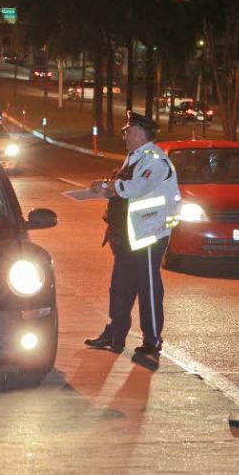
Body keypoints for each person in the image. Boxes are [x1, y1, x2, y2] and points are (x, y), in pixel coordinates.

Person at [84, 111, 181, 359]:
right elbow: (123, 188)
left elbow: (136, 188)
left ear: (139, 133)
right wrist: (103, 188)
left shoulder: (156, 161)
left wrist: (108, 186)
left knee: (148, 288)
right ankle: (115, 334)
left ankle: (152, 341)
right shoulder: (135, 157)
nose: (125, 136)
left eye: (128, 132)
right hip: (128, 234)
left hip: (149, 234)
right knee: (119, 287)